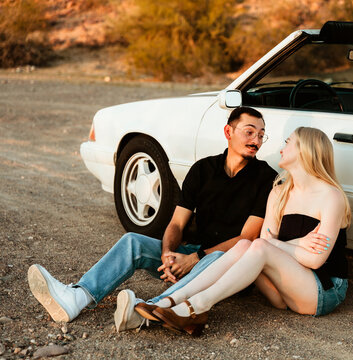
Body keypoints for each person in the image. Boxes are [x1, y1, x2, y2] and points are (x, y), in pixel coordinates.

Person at [27, 106, 277, 331]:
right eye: (249, 132)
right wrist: (169, 255)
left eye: (261, 135)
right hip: (191, 254)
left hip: (225, 265)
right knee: (132, 241)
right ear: (228, 132)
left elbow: (247, 238)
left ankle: (149, 310)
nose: (256, 140)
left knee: (219, 257)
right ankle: (78, 297)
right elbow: (177, 223)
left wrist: (194, 259)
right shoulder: (203, 169)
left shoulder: (265, 177)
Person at [129, 127, 351, 336]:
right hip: (281, 291)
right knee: (245, 245)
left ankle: (197, 307)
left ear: (306, 150)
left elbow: (314, 260)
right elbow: (264, 242)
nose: (282, 149)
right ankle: (169, 301)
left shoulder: (330, 196)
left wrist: (278, 244)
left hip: (322, 290)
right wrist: (298, 243)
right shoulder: (279, 192)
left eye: (288, 142)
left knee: (260, 246)